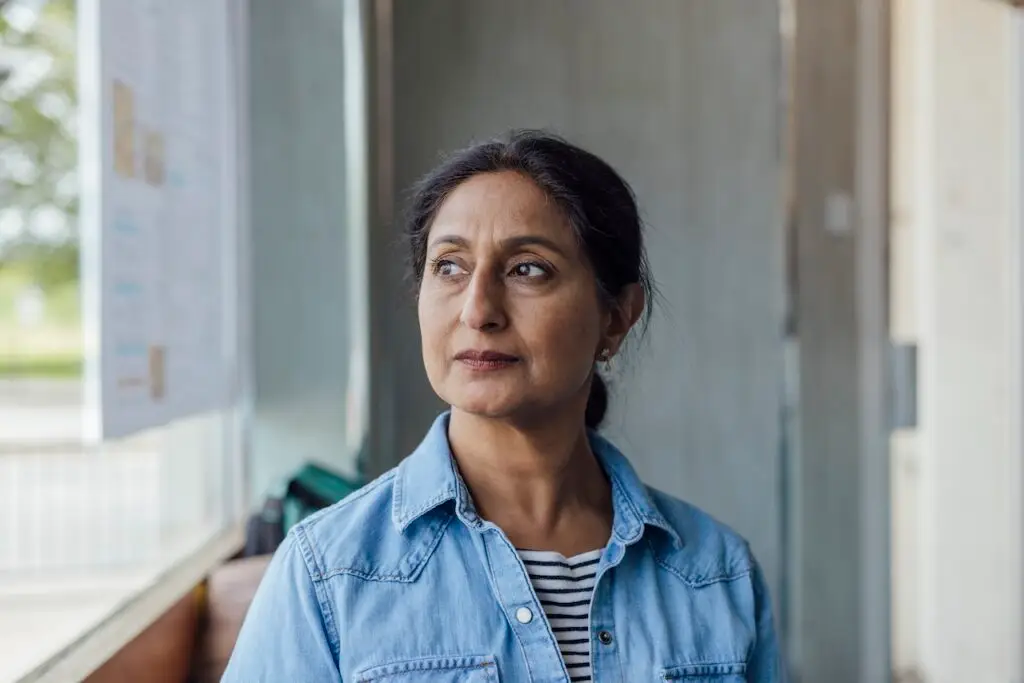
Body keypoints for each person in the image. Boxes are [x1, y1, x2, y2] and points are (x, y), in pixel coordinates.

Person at [222, 130, 784, 682]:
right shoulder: (329, 571)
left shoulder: (716, 574)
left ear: (615, 317)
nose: (478, 310)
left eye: (527, 269)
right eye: (449, 266)